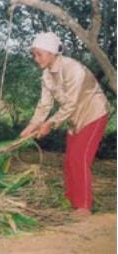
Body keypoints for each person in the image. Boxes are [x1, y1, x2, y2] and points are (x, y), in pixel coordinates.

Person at [20, 32, 110, 217]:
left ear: (52, 53)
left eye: (39, 54)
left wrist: (50, 124)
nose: (36, 59)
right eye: (34, 55)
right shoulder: (46, 75)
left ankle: (84, 207)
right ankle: (71, 201)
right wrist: (31, 126)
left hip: (93, 114)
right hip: (73, 119)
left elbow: (71, 104)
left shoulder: (73, 69)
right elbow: (44, 105)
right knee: (69, 161)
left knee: (79, 159)